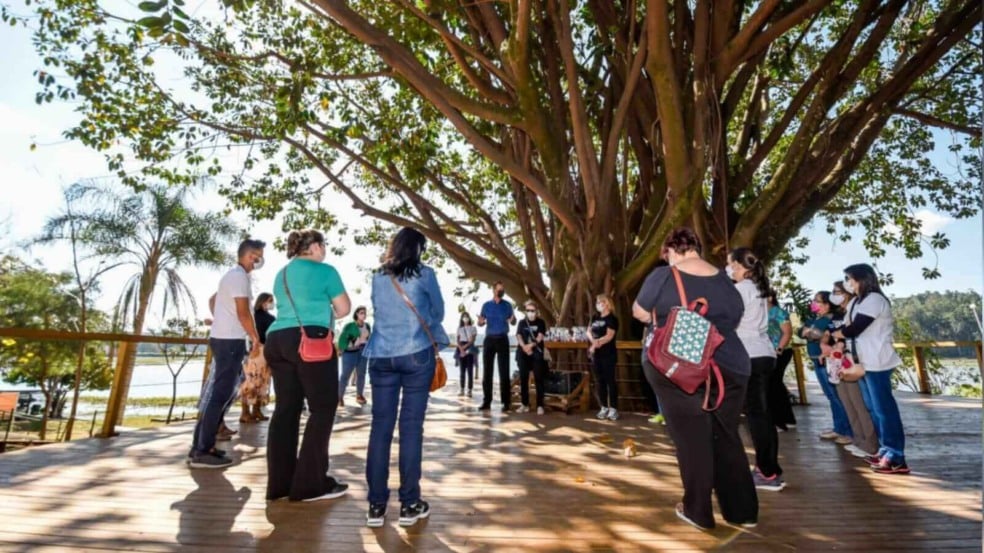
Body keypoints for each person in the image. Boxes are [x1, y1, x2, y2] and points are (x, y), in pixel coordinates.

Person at [633, 228, 757, 530]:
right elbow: (734, 316)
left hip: (681, 365)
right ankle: (742, 512)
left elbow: (639, 312)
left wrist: (664, 316)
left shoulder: (664, 275)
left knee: (692, 438)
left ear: (671, 250)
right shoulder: (725, 282)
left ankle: (698, 511)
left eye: (666, 255)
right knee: (726, 435)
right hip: (730, 366)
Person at [363, 227, 450, 528]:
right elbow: (438, 313)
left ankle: (376, 506)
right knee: (411, 429)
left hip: (381, 355)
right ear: (418, 249)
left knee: (380, 428)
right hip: (416, 354)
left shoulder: (378, 275)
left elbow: (378, 310)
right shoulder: (425, 274)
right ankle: (410, 503)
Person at [264, 229, 351, 501]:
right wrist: (325, 308)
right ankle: (310, 485)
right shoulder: (326, 271)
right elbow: (344, 309)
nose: (325, 250)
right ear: (314, 246)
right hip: (311, 339)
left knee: (286, 410)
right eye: (323, 245)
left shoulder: (282, 273)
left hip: (277, 340)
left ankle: (280, 485)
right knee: (323, 408)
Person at [189, 238, 266, 469]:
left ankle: (201, 446)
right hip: (229, 341)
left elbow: (215, 300)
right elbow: (243, 313)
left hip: (226, 339)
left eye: (260, 257)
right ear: (246, 255)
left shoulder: (234, 276)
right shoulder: (238, 277)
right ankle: (202, 451)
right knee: (219, 395)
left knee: (222, 393)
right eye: (256, 256)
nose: (258, 261)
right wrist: (255, 338)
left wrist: (221, 319)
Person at [832, 264, 909, 474]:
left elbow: (856, 327)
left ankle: (896, 455)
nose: (848, 283)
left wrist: (838, 334)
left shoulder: (874, 299)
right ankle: (884, 449)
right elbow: (846, 327)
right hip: (862, 362)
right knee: (873, 408)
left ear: (862, 279)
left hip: (877, 362)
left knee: (884, 409)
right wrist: (840, 339)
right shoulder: (855, 302)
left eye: (850, 279)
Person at [727, 247, 783, 491]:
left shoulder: (741, 289)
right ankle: (769, 468)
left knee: (757, 416)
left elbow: (728, 320)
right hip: (764, 353)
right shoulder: (759, 289)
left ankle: (767, 472)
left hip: (749, 354)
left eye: (731, 264)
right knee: (763, 414)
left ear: (741, 266)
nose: (728, 269)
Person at [798, 291, 853, 443]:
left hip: (828, 361)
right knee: (831, 396)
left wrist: (811, 332)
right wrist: (810, 332)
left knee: (835, 396)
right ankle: (838, 427)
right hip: (817, 360)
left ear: (828, 305)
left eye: (818, 301)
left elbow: (824, 336)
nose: (814, 303)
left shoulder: (830, 319)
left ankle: (846, 431)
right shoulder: (815, 319)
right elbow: (801, 331)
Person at [478, 281, 516, 413]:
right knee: (487, 372)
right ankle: (486, 401)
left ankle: (506, 402)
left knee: (504, 371)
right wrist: (480, 322)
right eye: (499, 289)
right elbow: (481, 322)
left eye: (502, 289)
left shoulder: (507, 305)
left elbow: (513, 321)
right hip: (489, 340)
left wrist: (513, 320)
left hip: (502, 339)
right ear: (494, 290)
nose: (501, 291)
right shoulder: (486, 305)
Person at [238, 293, 275, 423]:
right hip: (256, 350)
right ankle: (245, 412)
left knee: (262, 381)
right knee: (251, 381)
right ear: (263, 301)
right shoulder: (254, 316)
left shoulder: (268, 317)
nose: (272, 303)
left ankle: (256, 410)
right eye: (270, 300)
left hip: (265, 350)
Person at [766, 291, 796, 431]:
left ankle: (779, 422)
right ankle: (787, 418)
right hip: (767, 352)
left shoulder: (778, 312)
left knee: (774, 383)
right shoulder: (759, 313)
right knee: (775, 384)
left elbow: (787, 333)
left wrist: (779, 349)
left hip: (781, 352)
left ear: (770, 297)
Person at [589, 294, 620, 421]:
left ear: (607, 304)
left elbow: (609, 336)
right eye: (597, 302)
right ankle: (603, 407)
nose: (599, 304)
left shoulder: (612, 319)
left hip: (608, 354)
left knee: (610, 381)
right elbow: (588, 331)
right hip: (596, 355)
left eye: (602, 302)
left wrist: (597, 343)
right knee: (599, 381)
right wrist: (593, 342)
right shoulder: (595, 317)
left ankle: (613, 408)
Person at [516, 300, 548, 415]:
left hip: (536, 353)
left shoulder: (541, 322)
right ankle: (524, 404)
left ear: (536, 311)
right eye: (528, 310)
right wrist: (524, 347)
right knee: (523, 378)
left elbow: (540, 337)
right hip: (523, 353)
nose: (530, 312)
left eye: (532, 310)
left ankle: (540, 405)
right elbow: (519, 335)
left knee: (539, 378)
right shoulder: (522, 323)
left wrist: (531, 346)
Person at [337, 306, 371, 408]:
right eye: (361, 313)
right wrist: (341, 349)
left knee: (361, 374)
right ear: (356, 314)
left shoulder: (367, 326)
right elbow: (343, 338)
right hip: (350, 352)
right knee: (345, 375)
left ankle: (359, 395)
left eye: (364, 313)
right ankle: (339, 397)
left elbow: (369, 338)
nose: (363, 315)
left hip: (363, 351)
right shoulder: (349, 325)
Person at [456, 312, 478, 397]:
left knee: (470, 370)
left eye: (467, 317)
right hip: (461, 348)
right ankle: (462, 389)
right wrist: (461, 349)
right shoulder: (459, 328)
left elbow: (472, 340)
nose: (465, 318)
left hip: (469, 348)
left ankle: (469, 390)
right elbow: (457, 340)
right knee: (462, 371)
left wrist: (465, 347)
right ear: (461, 319)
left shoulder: (473, 328)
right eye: (464, 317)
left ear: (469, 318)